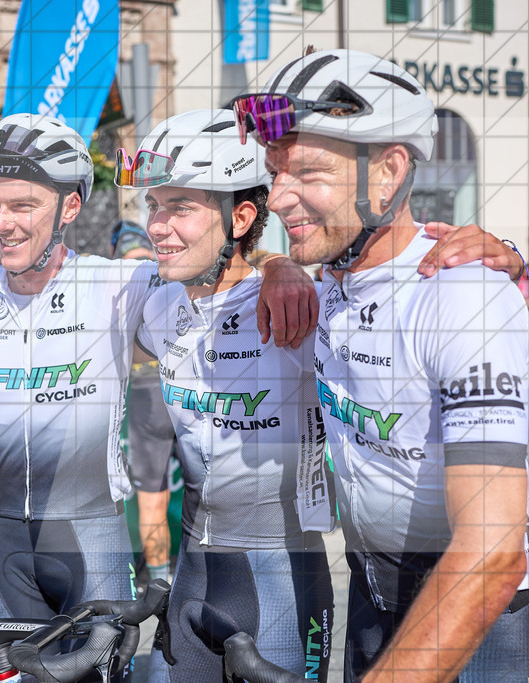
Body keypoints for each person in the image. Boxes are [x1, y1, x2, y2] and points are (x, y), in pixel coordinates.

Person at [0, 114, 316, 657]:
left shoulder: (117, 286)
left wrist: (280, 266)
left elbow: (220, 269)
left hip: (92, 544)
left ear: (69, 207)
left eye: (22, 206)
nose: (2, 222)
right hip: (4, 549)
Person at [233, 48, 529, 680]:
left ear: (388, 173)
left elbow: (493, 550)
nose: (277, 198)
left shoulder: (464, 296)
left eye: (307, 173)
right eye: (274, 174)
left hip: (480, 618)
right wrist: (276, 265)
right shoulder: (327, 283)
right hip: (373, 592)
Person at [118, 109, 336, 680]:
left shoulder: (296, 309)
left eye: (181, 208)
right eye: (155, 207)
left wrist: (285, 267)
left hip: (283, 574)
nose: (158, 226)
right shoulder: (158, 300)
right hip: (195, 568)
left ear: (240, 217)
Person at [110, 218, 176, 587]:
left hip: (148, 388)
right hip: (184, 381)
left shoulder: (118, 275)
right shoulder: (168, 265)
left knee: (153, 500)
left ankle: (161, 587)